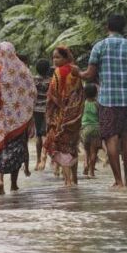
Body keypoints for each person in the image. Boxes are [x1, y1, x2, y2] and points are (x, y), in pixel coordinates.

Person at [80, 14, 127, 188]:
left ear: (108, 26)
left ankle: (118, 181)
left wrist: (78, 73)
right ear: (124, 28)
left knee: (111, 138)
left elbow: (90, 75)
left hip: (107, 100)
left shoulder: (99, 47)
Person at [0, 42, 36, 195]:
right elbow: (32, 92)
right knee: (17, 151)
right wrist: (26, 114)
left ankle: (0, 180)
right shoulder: (23, 70)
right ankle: (14, 184)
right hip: (18, 119)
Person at [43, 45, 84, 187]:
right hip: (75, 117)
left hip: (60, 117)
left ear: (66, 58)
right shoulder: (76, 71)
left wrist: (50, 117)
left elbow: (52, 96)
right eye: (53, 57)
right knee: (72, 147)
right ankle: (75, 179)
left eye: (58, 57)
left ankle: (67, 182)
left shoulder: (58, 73)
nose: (55, 60)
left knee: (61, 147)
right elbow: (80, 95)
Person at [33, 59, 52, 171]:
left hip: (36, 110)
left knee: (38, 135)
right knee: (46, 134)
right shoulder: (51, 81)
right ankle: (45, 158)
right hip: (47, 110)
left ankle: (38, 161)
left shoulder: (33, 80)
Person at [81, 83, 101, 178]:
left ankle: (85, 164)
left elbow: (80, 115)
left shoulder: (83, 103)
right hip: (96, 128)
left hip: (85, 128)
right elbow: (100, 116)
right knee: (94, 152)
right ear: (96, 93)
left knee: (86, 149)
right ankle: (91, 171)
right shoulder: (97, 104)